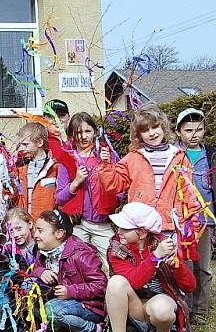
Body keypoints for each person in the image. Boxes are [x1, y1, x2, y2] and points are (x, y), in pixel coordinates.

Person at [105, 202, 196, 332]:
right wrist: (155, 257)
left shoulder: (165, 244)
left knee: (162, 310)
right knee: (116, 282)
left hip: (159, 303)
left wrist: (177, 266)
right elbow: (134, 282)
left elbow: (190, 286)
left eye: (125, 228)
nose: (119, 232)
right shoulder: (116, 248)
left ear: (142, 233)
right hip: (133, 306)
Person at [99, 104, 200, 238]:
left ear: (163, 127)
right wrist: (106, 165)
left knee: (169, 258)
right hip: (140, 226)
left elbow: (188, 192)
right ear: (139, 135)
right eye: (145, 130)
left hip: (170, 224)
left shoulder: (179, 156)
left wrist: (193, 223)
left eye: (155, 127)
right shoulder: (133, 158)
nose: (152, 133)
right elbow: (113, 184)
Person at [32, 210, 107, 332]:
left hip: (87, 306)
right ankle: (58, 331)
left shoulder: (80, 254)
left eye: (40, 231)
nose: (35, 235)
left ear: (59, 234)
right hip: (61, 303)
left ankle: (94, 328)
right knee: (28, 288)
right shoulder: (43, 251)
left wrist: (71, 291)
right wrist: (41, 271)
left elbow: (101, 285)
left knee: (51, 309)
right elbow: (34, 268)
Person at [55, 113, 119, 263]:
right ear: (71, 136)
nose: (83, 137)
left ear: (95, 132)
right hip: (78, 224)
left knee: (112, 262)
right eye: (78, 133)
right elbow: (59, 198)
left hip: (103, 223)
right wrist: (76, 182)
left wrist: (107, 166)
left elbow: (119, 191)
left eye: (87, 131)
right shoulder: (68, 160)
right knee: (79, 263)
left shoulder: (106, 156)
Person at [176, 108, 214, 323]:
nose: (194, 134)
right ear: (179, 131)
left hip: (205, 219)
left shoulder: (210, 154)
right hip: (182, 221)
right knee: (185, 266)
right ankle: (185, 309)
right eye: (188, 130)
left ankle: (200, 311)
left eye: (199, 129)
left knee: (204, 267)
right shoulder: (175, 154)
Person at [13, 122, 57, 217]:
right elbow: (15, 197)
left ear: (40, 142)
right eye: (20, 145)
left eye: (25, 144)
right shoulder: (20, 168)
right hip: (24, 222)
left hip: (46, 223)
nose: (21, 148)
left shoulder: (54, 167)